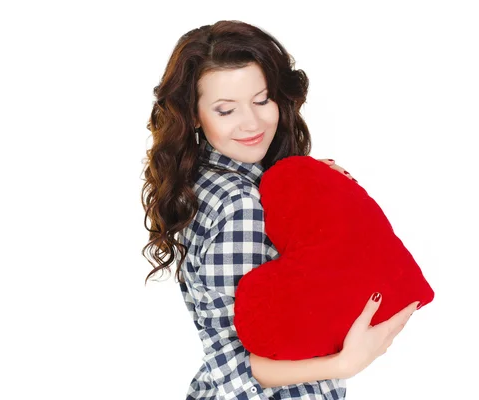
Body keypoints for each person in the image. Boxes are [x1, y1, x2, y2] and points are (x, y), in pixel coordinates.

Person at [140, 20, 419, 400]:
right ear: (192, 115)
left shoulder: (210, 182)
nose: (252, 123)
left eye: (262, 99)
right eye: (226, 110)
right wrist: (346, 363)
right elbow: (236, 368)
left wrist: (309, 184)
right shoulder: (241, 206)